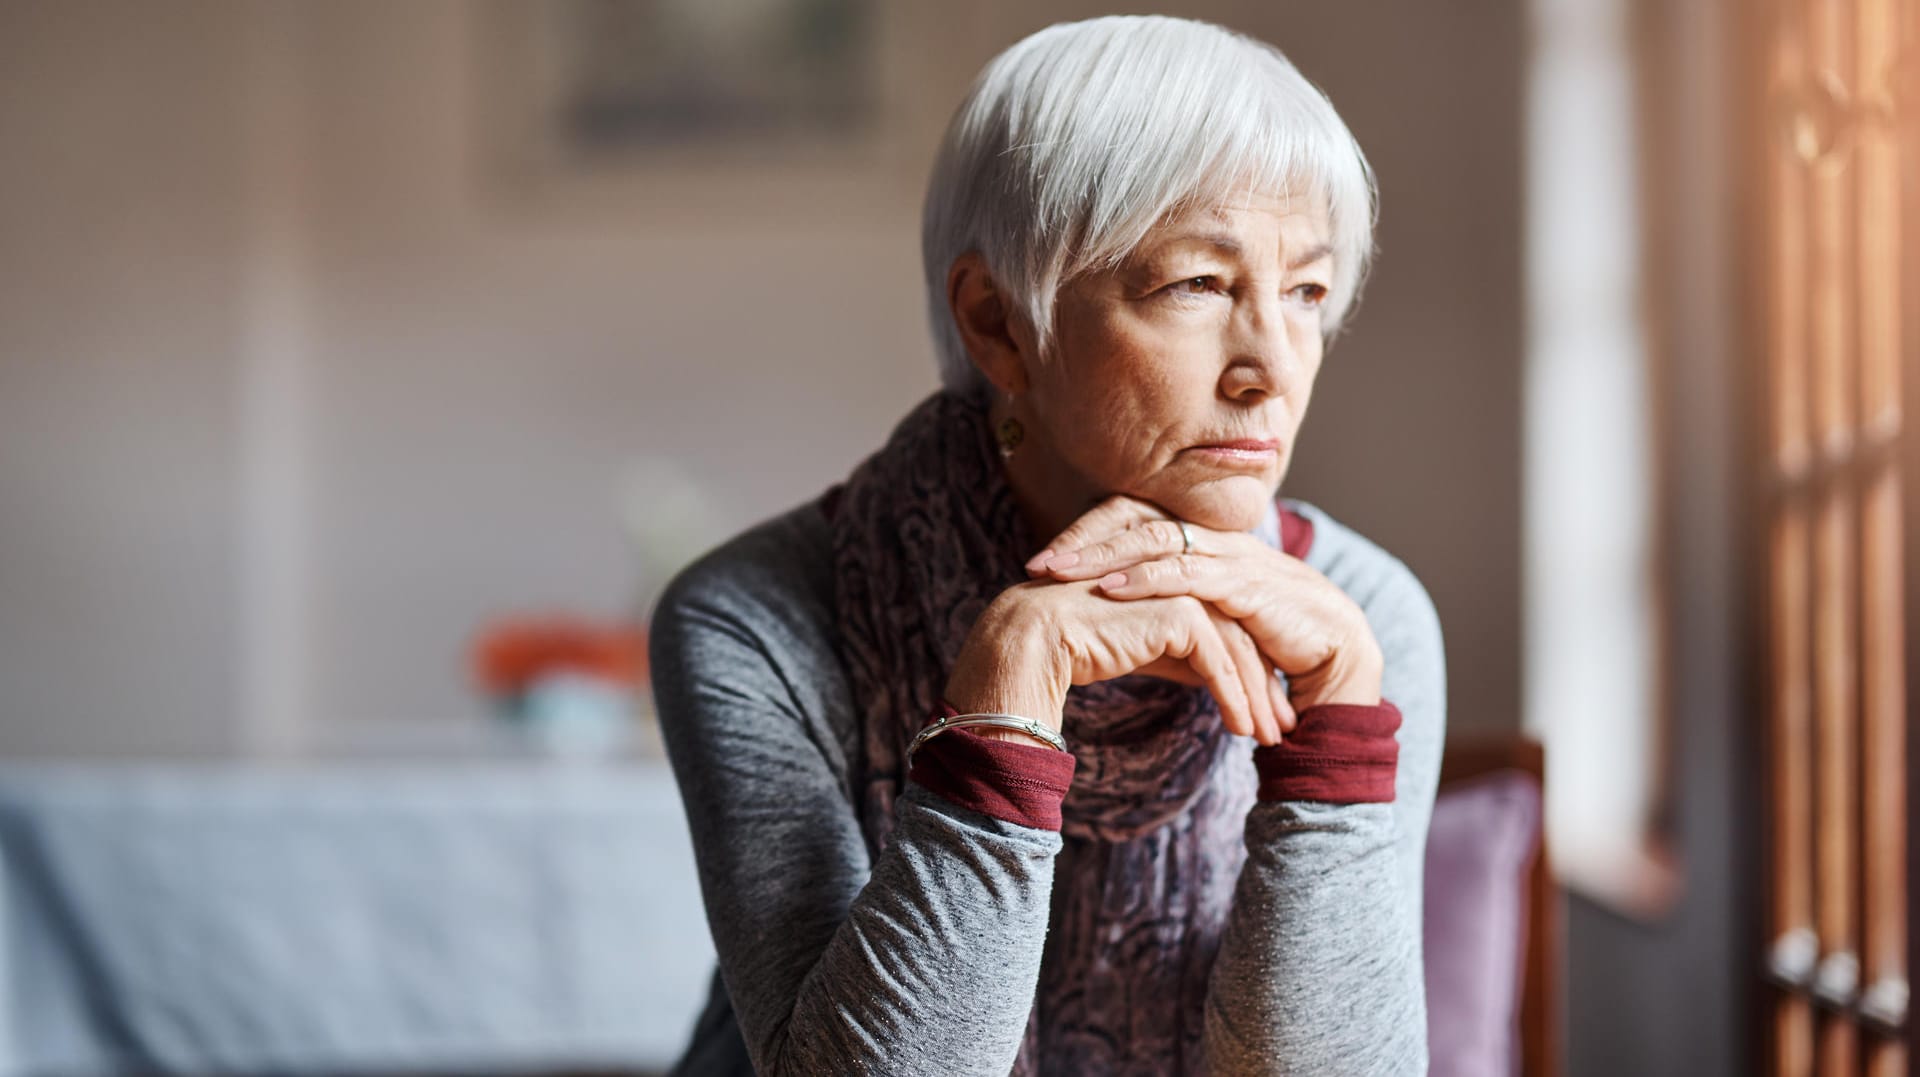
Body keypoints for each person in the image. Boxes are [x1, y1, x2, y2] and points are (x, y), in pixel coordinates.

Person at [650, 15, 1445, 1075]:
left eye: (1305, 291)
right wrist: (1010, 690)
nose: (1271, 368)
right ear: (998, 325)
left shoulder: (1356, 616)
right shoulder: (757, 619)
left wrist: (1337, 716)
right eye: (1197, 285)